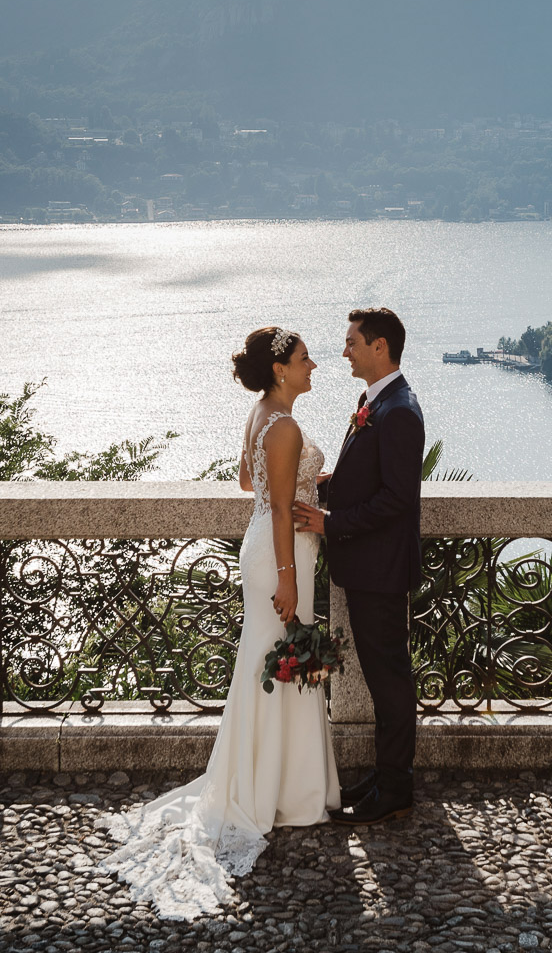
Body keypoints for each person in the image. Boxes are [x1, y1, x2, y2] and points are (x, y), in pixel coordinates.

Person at [100, 327, 339, 920]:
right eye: (305, 359)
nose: (315, 367)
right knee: (280, 665)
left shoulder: (260, 413)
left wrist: (306, 482)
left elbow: (249, 482)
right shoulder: (282, 425)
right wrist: (287, 575)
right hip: (280, 556)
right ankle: (282, 794)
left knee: (271, 665)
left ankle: (272, 785)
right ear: (281, 369)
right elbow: (279, 503)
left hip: (261, 545)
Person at [294, 306, 424, 826]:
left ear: (379, 347)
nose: (344, 350)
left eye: (352, 342)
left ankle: (396, 789)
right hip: (367, 569)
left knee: (390, 681)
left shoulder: (400, 412)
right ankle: (384, 778)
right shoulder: (377, 401)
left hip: (382, 571)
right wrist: (329, 484)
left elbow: (396, 499)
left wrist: (331, 523)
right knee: (379, 677)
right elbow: (369, 477)